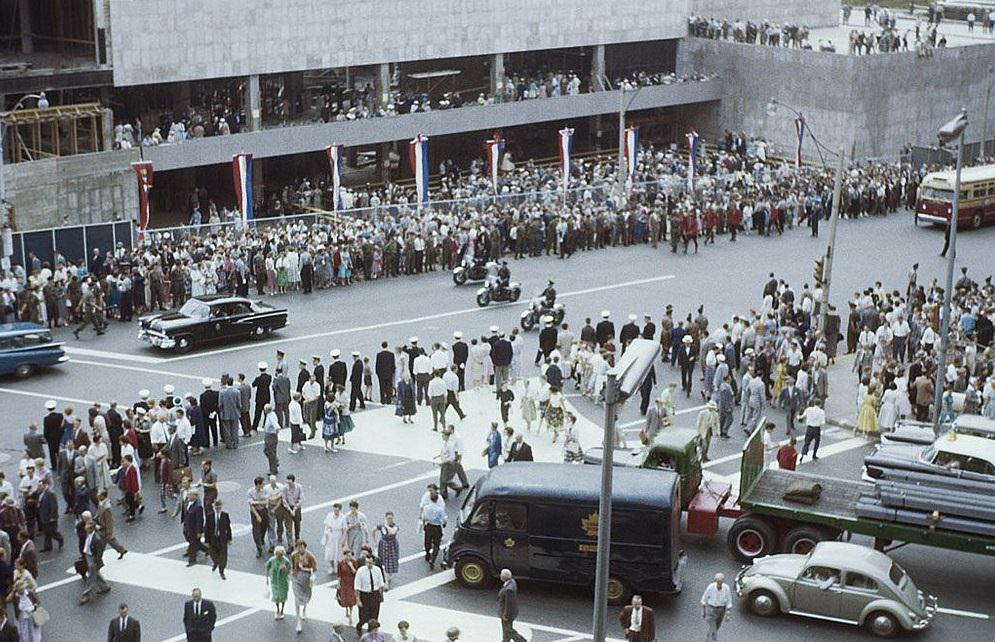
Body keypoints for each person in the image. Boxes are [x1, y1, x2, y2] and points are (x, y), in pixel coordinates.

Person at [79, 520, 110, 604]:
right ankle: (105, 587)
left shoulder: (97, 539)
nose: (85, 528)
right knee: (95, 573)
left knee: (91, 578)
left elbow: (99, 553)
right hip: (88, 555)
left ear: (91, 529)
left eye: (87, 527)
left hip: (93, 558)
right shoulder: (89, 534)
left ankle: (86, 595)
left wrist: (96, 562)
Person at [290, 539, 317, 632]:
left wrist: (304, 569)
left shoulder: (310, 556)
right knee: (297, 598)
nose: (300, 549)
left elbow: (314, 568)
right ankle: (298, 621)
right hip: (297, 577)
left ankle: (304, 609)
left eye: (302, 546)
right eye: (298, 547)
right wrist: (293, 574)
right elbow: (293, 565)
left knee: (306, 596)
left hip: (306, 577)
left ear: (305, 547)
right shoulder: (294, 555)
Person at [355, 555, 385, 636]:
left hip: (374, 594)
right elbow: (357, 586)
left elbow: (381, 584)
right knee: (363, 616)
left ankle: (371, 631)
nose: (368, 564)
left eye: (370, 563)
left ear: (374, 562)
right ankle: (359, 626)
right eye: (367, 562)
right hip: (364, 594)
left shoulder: (377, 570)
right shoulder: (360, 571)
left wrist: (381, 595)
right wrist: (358, 599)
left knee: (374, 615)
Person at [204, 499, 232, 580]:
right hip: (213, 538)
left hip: (222, 539)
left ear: (221, 507)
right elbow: (207, 529)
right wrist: (206, 540)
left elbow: (228, 528)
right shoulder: (209, 516)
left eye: (219, 506)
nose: (218, 508)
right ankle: (216, 562)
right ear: (214, 507)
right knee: (212, 553)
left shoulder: (225, 515)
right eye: (216, 506)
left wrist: (229, 538)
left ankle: (221, 570)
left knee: (223, 555)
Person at [701, 573, 733, 642]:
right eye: (718, 581)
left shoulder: (726, 588)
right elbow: (704, 598)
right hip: (711, 609)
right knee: (713, 627)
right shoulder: (710, 587)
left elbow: (729, 600)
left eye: (721, 581)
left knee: (717, 625)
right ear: (715, 580)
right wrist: (703, 610)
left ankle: (710, 637)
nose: (719, 584)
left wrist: (728, 614)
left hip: (721, 609)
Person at [421, 486, 446, 570]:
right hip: (437, 527)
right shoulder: (439, 509)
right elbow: (444, 519)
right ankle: (433, 559)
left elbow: (423, 517)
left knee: (427, 541)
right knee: (436, 544)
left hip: (429, 526)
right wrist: (444, 524)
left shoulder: (426, 508)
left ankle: (427, 553)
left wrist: (424, 524)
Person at [498, 569, 527, 642]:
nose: (500, 576)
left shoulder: (508, 589)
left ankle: (521, 640)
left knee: (508, 630)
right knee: (506, 628)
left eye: (501, 575)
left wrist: (505, 615)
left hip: (508, 613)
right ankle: (505, 640)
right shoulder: (512, 582)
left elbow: (508, 604)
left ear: (504, 577)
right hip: (510, 611)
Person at [265, 545, 292, 620]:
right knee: (276, 596)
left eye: (281, 554)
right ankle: (277, 609)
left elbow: (289, 571)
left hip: (283, 581)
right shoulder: (272, 560)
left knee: (283, 596)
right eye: (277, 554)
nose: (279, 556)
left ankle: (282, 609)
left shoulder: (286, 561)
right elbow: (267, 567)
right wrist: (267, 577)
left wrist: (285, 569)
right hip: (275, 581)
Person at [374, 513, 399, 590]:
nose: (390, 520)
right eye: (388, 518)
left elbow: (392, 532)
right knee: (385, 562)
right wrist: (374, 541)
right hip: (384, 544)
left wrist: (386, 526)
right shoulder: (381, 526)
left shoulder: (395, 526)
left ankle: (388, 577)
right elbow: (373, 530)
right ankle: (386, 582)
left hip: (392, 545)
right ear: (386, 518)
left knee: (391, 561)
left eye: (391, 518)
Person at [322, 503, 347, 574]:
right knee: (330, 552)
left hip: (338, 535)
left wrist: (343, 539)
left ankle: (338, 567)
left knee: (339, 552)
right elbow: (326, 525)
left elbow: (344, 529)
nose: (335, 511)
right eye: (334, 509)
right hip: (331, 535)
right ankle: (331, 566)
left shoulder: (342, 517)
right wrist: (326, 535)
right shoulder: (330, 515)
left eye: (337, 510)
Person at [337, 549, 358, 624]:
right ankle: (346, 610)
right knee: (345, 598)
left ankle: (351, 615)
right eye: (347, 555)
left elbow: (355, 572)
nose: (348, 557)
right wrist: (338, 583)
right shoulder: (341, 563)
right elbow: (339, 574)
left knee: (351, 599)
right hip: (344, 582)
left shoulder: (354, 562)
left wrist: (351, 566)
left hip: (351, 582)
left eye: (350, 555)